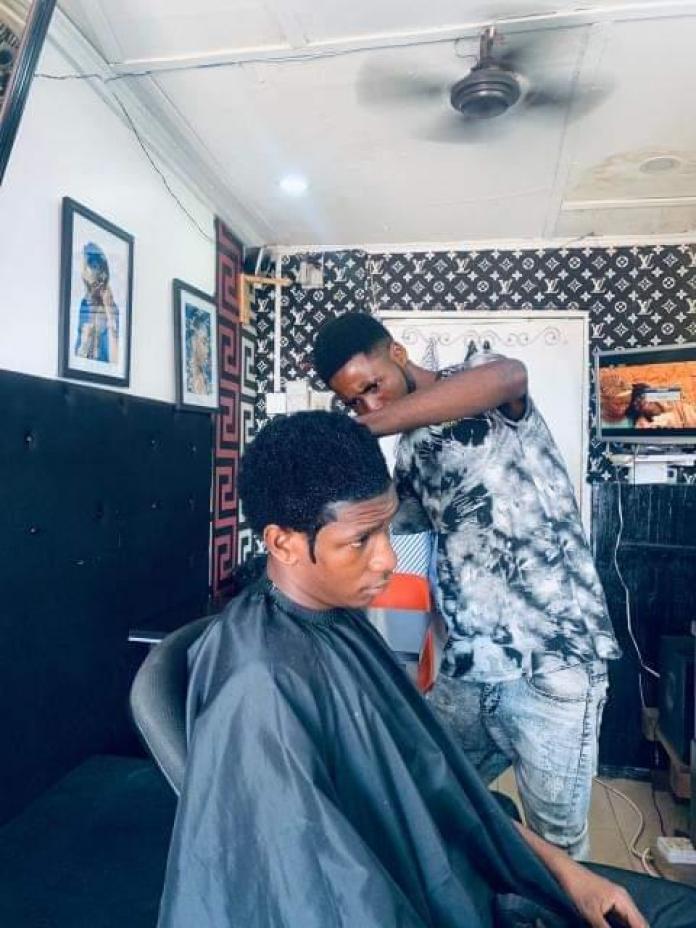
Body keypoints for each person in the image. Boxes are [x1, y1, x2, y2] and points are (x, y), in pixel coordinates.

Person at [158, 411, 695, 928]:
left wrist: (567, 871)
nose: (388, 560)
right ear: (282, 543)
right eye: (360, 541)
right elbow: (322, 896)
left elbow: (441, 786)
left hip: (455, 881)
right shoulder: (259, 687)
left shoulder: (342, 624)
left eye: (387, 530)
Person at [313, 313, 621, 859]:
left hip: (553, 660)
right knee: (436, 804)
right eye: (354, 404)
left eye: (371, 387)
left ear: (398, 354)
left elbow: (510, 376)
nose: (370, 407)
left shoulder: (479, 379)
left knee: (558, 843)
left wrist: (357, 430)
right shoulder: (407, 456)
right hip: (468, 669)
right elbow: (407, 559)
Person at [74, 242, 119, 364]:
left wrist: (109, 310)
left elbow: (115, 361)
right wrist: (84, 343)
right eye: (84, 266)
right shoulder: (84, 305)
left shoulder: (111, 308)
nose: (84, 271)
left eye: (90, 266)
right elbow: (77, 359)